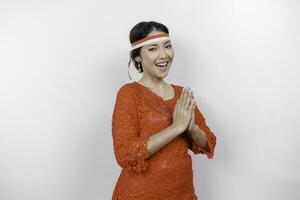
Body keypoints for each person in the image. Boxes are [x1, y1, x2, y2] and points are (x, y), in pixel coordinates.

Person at [111, 21, 217, 200]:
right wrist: (176, 128)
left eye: (167, 46)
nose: (164, 55)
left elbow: (208, 144)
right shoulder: (129, 93)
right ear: (138, 57)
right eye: (153, 49)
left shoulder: (181, 94)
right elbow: (126, 155)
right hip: (140, 194)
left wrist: (192, 129)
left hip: (182, 193)